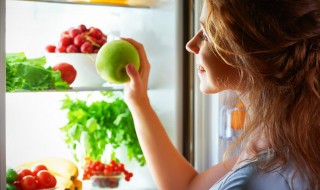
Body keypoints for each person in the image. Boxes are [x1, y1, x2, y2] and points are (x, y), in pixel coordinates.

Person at [121, 0, 320, 189]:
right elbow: (188, 187)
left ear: (248, 49)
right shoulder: (288, 141)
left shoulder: (253, 178)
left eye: (206, 35)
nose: (191, 45)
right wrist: (138, 101)